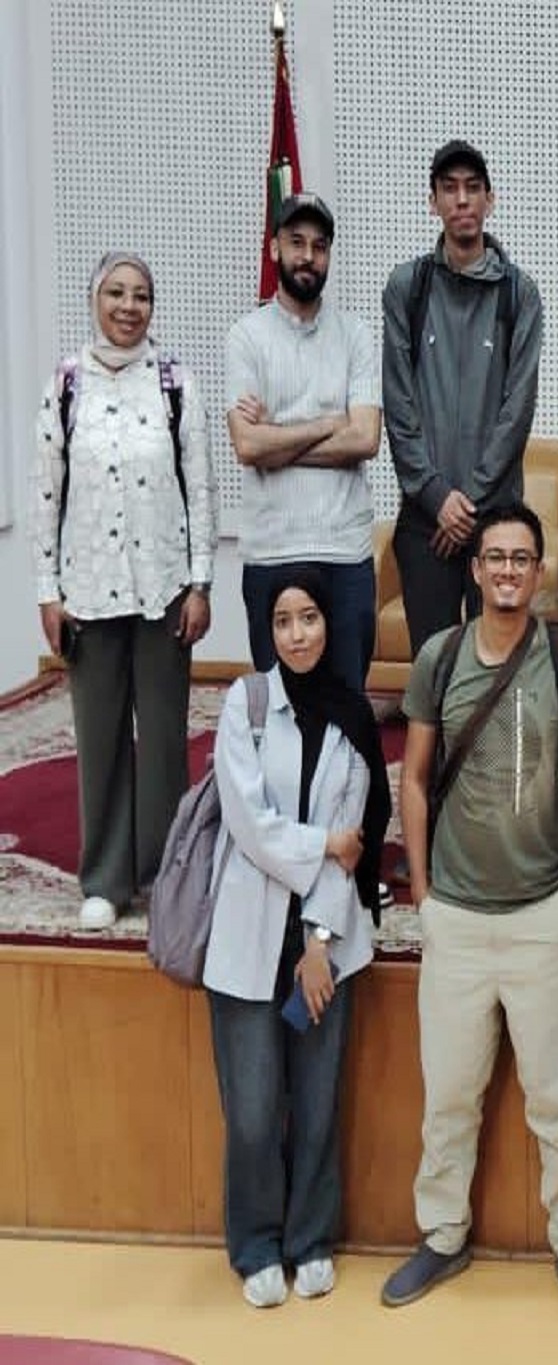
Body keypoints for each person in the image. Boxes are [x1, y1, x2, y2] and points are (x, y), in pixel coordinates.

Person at [381, 504, 558, 1314]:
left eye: (522, 559)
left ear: (539, 571)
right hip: (460, 920)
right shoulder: (440, 657)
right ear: (475, 570)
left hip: (546, 912)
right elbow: (413, 773)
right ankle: (441, 1234)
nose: (508, 571)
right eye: (495, 558)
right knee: (449, 1092)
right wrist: (425, 896)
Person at [203, 570, 390, 1308]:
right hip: (247, 932)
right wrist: (325, 844)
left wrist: (318, 942)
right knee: (251, 1106)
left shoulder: (352, 719)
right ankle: (254, 1241)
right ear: (268, 632)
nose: (298, 634)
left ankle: (309, 1236)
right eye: (283, 621)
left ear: (330, 624)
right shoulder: (243, 705)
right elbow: (253, 828)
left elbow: (358, 844)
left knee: (316, 1101)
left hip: (324, 937)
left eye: (310, 617)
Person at [33, 250, 214, 929]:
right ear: (94, 300)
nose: (129, 306)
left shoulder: (174, 383)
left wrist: (200, 583)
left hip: (164, 585)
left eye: (141, 295)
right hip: (90, 588)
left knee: (165, 737)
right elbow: (46, 491)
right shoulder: (67, 384)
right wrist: (47, 590)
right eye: (116, 293)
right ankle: (106, 879)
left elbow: (200, 489)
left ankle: (165, 873)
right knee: (101, 736)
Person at [383, 138, 544, 651]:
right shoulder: (408, 287)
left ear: (490, 200)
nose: (462, 200)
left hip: (495, 517)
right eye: (449, 189)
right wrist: (436, 497)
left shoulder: (519, 293)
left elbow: (516, 412)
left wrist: (467, 504)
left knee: (495, 669)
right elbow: (398, 404)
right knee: (432, 670)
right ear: (433, 201)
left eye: (473, 189)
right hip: (424, 518)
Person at [226, 193, 384, 686]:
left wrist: (278, 436)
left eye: (319, 246)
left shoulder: (354, 335)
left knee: (346, 701)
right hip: (273, 550)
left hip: (344, 549)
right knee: (279, 710)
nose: (308, 256)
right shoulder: (246, 337)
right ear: (274, 248)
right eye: (296, 243)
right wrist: (326, 422)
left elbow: (365, 439)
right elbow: (248, 448)